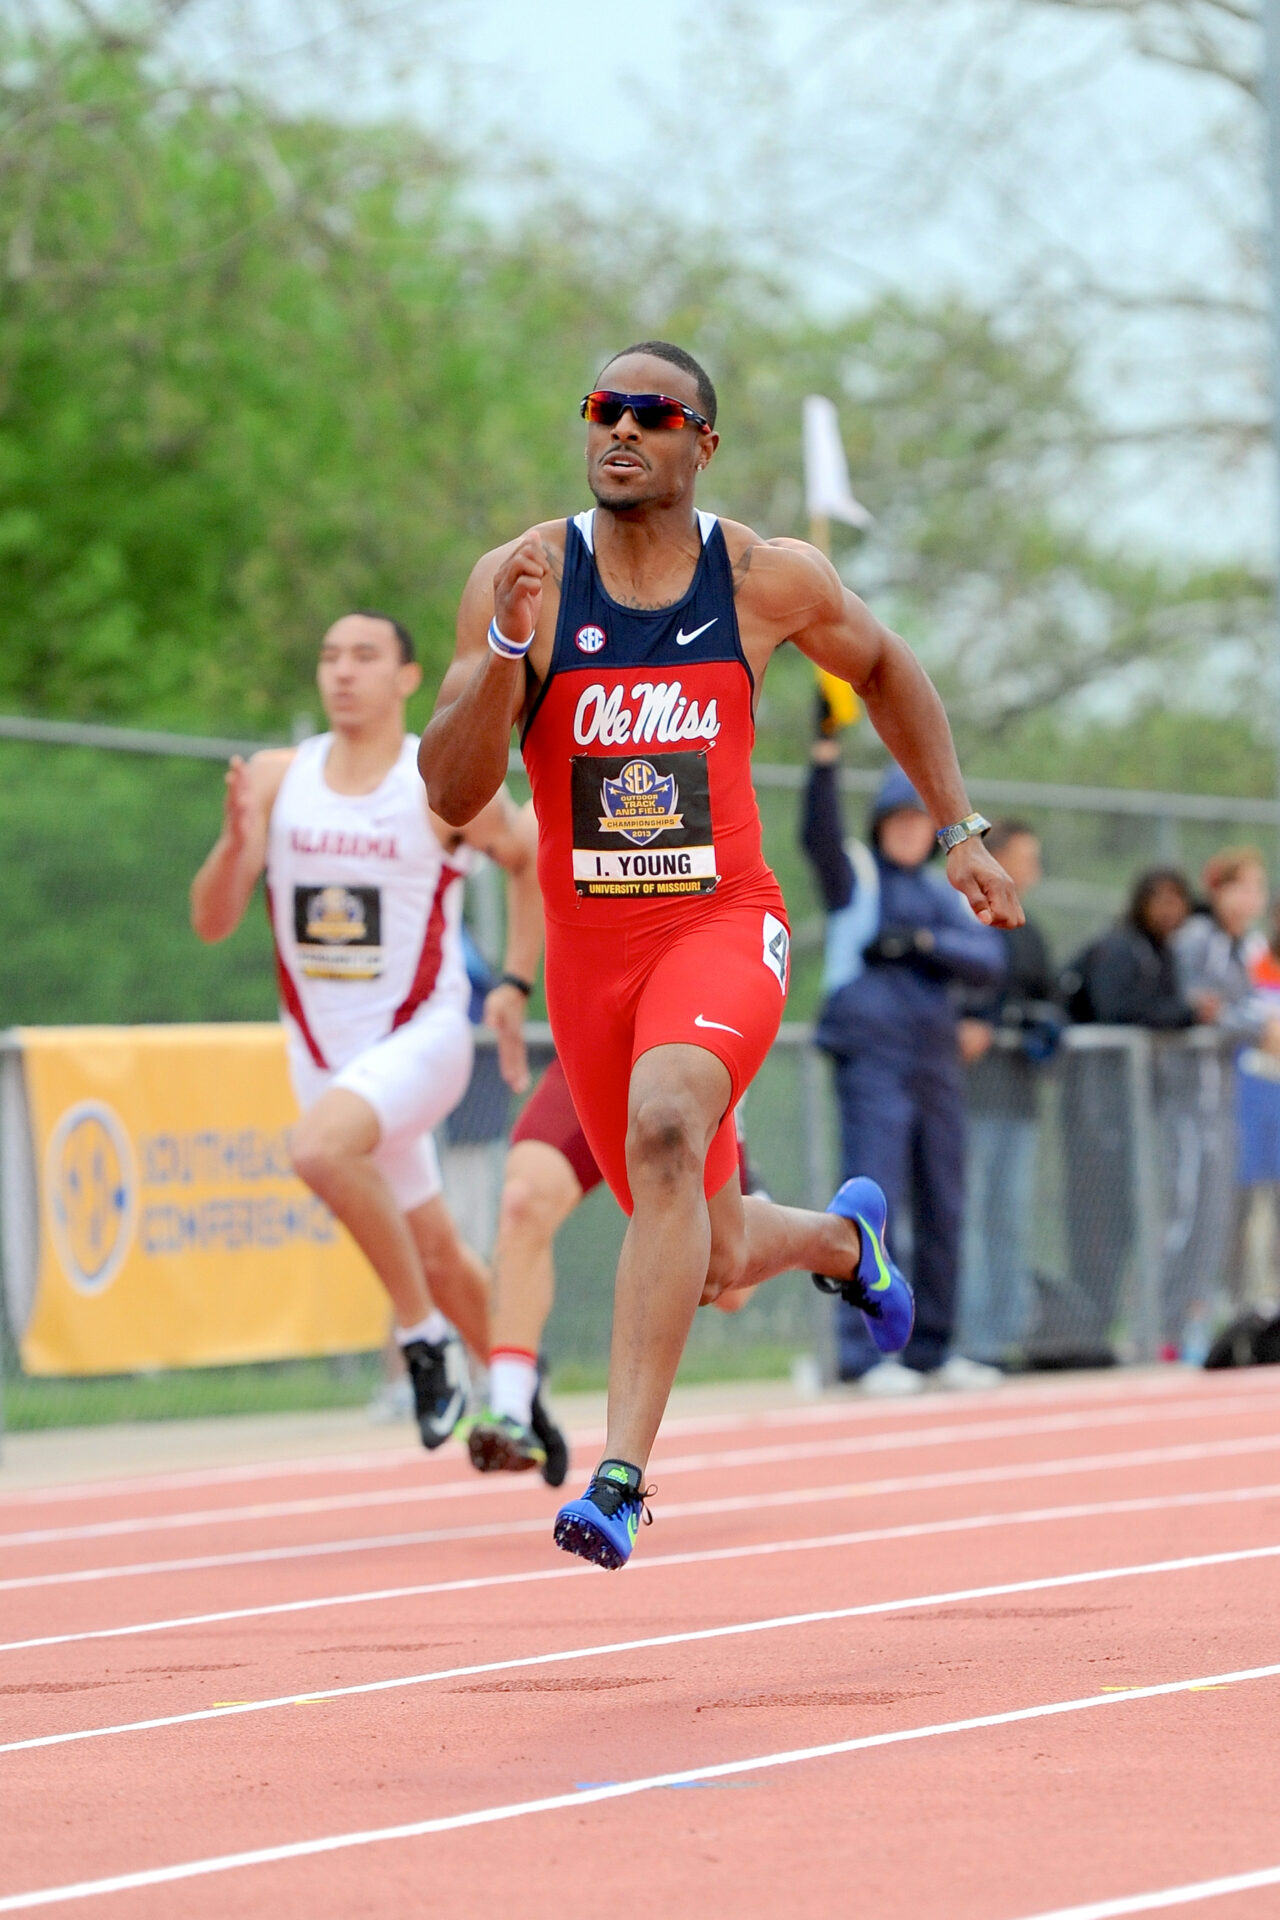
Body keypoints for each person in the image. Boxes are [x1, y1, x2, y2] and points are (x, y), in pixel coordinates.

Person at [418, 341, 1020, 1570]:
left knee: (664, 1126)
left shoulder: (761, 576)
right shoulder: (523, 577)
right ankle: (843, 1244)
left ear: (701, 443)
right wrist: (503, 657)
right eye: (602, 409)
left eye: (650, 414)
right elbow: (450, 790)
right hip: (592, 959)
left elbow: (886, 666)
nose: (619, 430)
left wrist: (957, 829)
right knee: (716, 1251)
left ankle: (618, 1479)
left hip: (720, 924)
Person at [190, 610, 540, 1449]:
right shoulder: (278, 778)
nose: (342, 672)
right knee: (440, 1251)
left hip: (423, 1036)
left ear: (407, 678)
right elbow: (210, 922)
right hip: (321, 1055)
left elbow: (528, 855)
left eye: (363, 656)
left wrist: (515, 983)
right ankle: (526, 1403)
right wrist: (235, 848)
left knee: (316, 1151)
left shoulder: (439, 780)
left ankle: (422, 1341)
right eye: (329, 657)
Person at [802, 738, 1006, 1393]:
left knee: (945, 1202)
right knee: (872, 1202)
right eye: (899, 819)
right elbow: (817, 837)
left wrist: (920, 944)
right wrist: (825, 759)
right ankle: (863, 1355)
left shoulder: (942, 893)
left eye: (922, 820)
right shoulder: (857, 880)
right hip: (874, 1062)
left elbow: (990, 957)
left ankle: (932, 1349)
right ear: (881, 824)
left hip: (934, 1062)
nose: (911, 831)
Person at [1059, 867, 1204, 1364]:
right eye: (1159, 900)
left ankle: (1107, 1328)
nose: (1169, 910)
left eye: (1177, 900)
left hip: (1133, 1113)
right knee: (1099, 1225)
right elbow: (1115, 1010)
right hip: (1101, 1111)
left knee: (1128, 1222)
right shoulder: (1120, 948)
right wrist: (1186, 1014)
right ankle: (1087, 1331)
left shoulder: (1162, 952)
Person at [954, 821, 1061, 1370]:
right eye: (1025, 855)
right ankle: (971, 1340)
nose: (1033, 867)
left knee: (1010, 1220)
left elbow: (1049, 998)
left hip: (1018, 1101)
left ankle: (1005, 1335)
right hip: (971, 1099)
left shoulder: (1029, 930)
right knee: (970, 1218)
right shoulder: (967, 919)